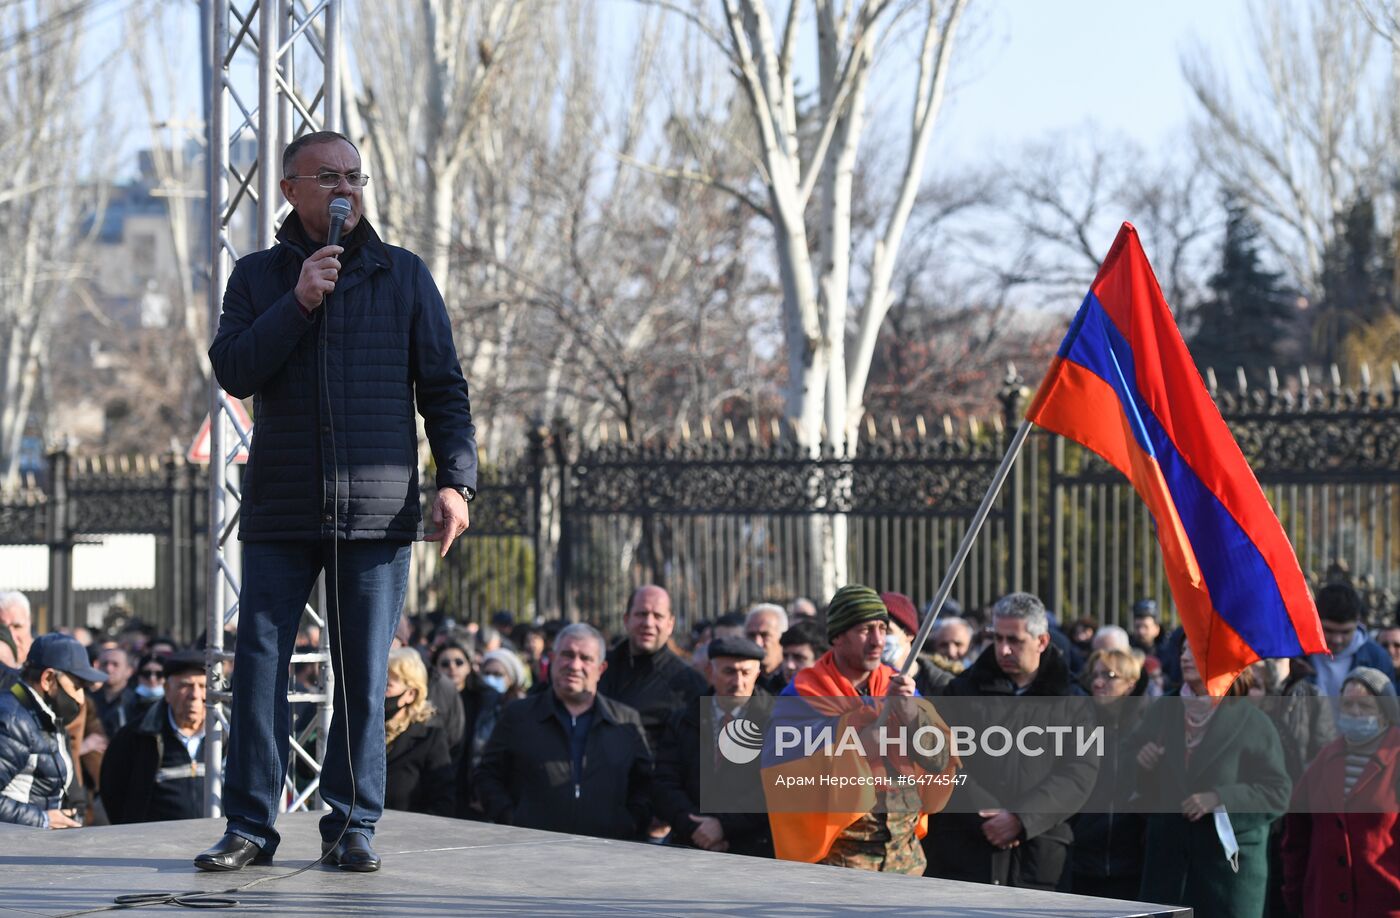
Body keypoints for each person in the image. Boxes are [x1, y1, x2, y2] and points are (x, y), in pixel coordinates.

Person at [197, 130, 478, 873]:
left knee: (362, 670)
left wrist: (457, 481)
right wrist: (297, 301)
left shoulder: (405, 276)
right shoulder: (257, 278)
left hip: (376, 510)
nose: (345, 188)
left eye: (355, 174)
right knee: (259, 666)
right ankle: (251, 825)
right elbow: (233, 367)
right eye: (328, 176)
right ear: (289, 190)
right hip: (282, 507)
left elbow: (445, 388)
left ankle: (352, 822)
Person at [769, 585, 955, 875]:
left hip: (905, 860)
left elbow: (940, 761)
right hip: (839, 864)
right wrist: (853, 745)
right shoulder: (802, 696)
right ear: (838, 636)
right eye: (866, 629)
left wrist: (913, 718)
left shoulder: (901, 686)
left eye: (882, 628)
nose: (878, 640)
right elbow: (782, 775)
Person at [925, 591, 1096, 889]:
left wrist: (1022, 818)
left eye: (1014, 640)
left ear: (1041, 641)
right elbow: (941, 760)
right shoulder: (962, 691)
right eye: (998, 638)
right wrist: (981, 810)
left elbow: (1079, 773)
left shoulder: (1073, 701)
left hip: (1037, 858)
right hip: (964, 852)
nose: (1003, 650)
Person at [1134, 646, 1291, 916]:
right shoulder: (1164, 710)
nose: (1183, 657)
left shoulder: (1254, 722)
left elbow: (1277, 793)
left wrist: (1220, 798)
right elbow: (1130, 769)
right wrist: (1143, 761)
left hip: (1228, 878)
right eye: (1182, 650)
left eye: (1194, 650)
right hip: (1168, 873)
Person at [475, 623, 653, 839]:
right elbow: (487, 775)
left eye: (586, 658)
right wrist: (512, 818)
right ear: (552, 659)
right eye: (567, 655)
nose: (575, 665)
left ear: (601, 669)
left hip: (607, 856)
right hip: (530, 852)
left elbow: (645, 785)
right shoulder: (519, 716)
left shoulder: (625, 721)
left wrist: (627, 823)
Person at [1282, 667, 1400, 918]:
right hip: (1326, 905)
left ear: (1385, 711)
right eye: (1348, 705)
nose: (1355, 714)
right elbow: (1297, 836)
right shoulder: (1325, 759)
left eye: (1365, 706)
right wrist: (1295, 895)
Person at [653, 636, 775, 857]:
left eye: (746, 673)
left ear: (757, 674)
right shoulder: (685, 719)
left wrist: (723, 827)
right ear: (710, 671)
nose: (738, 682)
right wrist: (696, 827)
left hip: (754, 852)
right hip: (690, 846)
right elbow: (665, 782)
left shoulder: (775, 721)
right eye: (729, 672)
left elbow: (773, 789)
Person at [0, 633, 107, 827]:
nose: (81, 699)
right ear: (48, 679)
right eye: (76, 686)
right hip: (13, 851)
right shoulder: (13, 720)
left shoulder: (44, 715)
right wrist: (43, 819)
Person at [1069, 649, 1147, 900]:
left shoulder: (1147, 730)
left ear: (1130, 685)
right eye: (1095, 675)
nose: (1098, 682)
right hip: (1081, 862)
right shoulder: (1081, 726)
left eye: (1109, 675)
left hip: (1133, 865)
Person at [100, 651, 208, 824]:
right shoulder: (137, 736)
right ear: (167, 690)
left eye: (203, 686)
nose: (195, 695)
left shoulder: (229, 735)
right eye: (185, 685)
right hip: (155, 846)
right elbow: (113, 792)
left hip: (216, 843)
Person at [597, 585, 707, 753]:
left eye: (658, 616)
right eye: (641, 614)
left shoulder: (688, 682)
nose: (648, 623)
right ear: (626, 619)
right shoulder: (598, 669)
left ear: (670, 624)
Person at [383, 648, 454, 817]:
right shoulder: (362, 732)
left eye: (387, 685)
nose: (378, 691)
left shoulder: (430, 739)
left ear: (410, 694)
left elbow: (443, 802)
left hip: (408, 837)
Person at [1301, 582, 1397, 696]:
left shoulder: (1377, 658)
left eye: (1345, 632)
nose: (1337, 640)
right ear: (1315, 620)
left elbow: (1390, 708)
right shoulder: (1296, 654)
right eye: (1328, 630)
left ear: (1358, 622)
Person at [93, 646, 138, 740]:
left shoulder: (138, 703)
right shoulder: (88, 700)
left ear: (129, 671)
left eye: (115, 664)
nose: (109, 669)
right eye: (104, 664)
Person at [743, 603, 788, 694]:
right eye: (751, 635)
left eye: (765, 635)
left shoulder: (794, 679)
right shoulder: (739, 681)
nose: (757, 643)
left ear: (783, 637)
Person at [778, 618, 828, 683]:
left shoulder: (836, 692)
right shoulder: (770, 689)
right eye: (785, 656)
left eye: (799, 658)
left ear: (821, 659)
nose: (789, 665)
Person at [0, 591, 34, 670]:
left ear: (29, 622)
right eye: (2, 628)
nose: (11, 635)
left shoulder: (44, 662)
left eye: (17, 626)